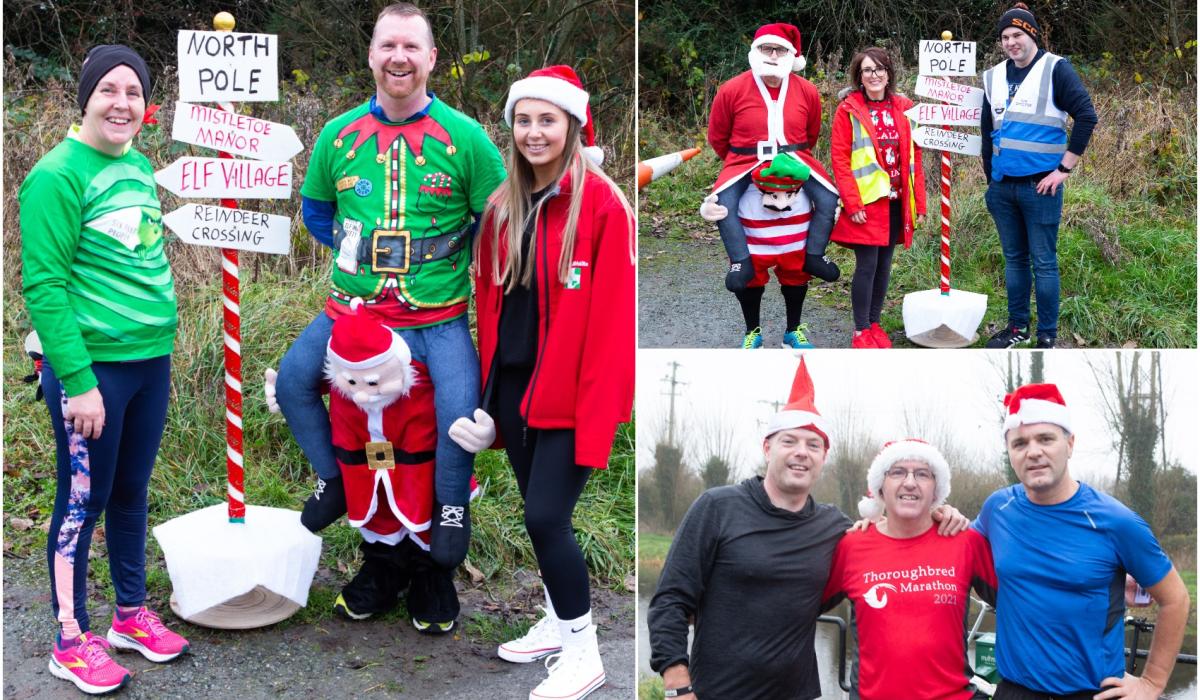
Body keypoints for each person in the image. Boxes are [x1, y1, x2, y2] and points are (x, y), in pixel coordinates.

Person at [276, 2, 506, 594]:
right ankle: (333, 480)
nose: (398, 58)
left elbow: (497, 219)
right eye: (388, 46)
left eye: (411, 47)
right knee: (293, 382)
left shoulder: (466, 138)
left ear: (431, 57)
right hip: (353, 312)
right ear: (371, 55)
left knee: (457, 413)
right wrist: (358, 256)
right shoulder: (338, 134)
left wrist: (444, 262)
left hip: (437, 317)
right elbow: (317, 211)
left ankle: (449, 511)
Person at [447, 65, 634, 700]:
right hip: (517, 393)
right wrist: (489, 399)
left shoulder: (603, 204)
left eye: (547, 120)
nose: (534, 132)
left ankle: (585, 653)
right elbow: (496, 311)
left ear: (572, 124)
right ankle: (557, 622)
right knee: (541, 517)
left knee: (546, 517)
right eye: (523, 120)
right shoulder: (504, 206)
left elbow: (613, 323)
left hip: (573, 395)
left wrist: (600, 407)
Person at [19, 44, 189, 695]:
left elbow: (136, 255)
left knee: (130, 491)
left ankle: (129, 616)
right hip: (95, 374)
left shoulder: (138, 165)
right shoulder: (57, 175)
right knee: (80, 503)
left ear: (147, 106)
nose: (122, 103)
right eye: (108, 90)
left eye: (133, 92)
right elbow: (45, 287)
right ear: (85, 98)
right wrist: (80, 382)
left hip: (150, 362)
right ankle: (70, 638)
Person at [647, 358, 968, 700]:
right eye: (789, 441)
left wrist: (936, 512)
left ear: (823, 457)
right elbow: (670, 600)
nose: (802, 453)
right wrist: (678, 686)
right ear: (767, 448)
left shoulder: (836, 528)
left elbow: (886, 543)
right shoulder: (717, 507)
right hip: (717, 692)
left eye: (813, 445)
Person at [974, 383, 1189, 699]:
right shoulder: (997, 509)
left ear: (1070, 444)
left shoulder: (1116, 521)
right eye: (1020, 443)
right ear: (1009, 452)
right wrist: (927, 514)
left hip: (1090, 692)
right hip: (1015, 691)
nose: (1033, 452)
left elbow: (1176, 599)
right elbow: (956, 545)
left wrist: (1152, 683)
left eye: (1045, 439)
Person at [822, 439, 998, 700]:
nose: (910, 482)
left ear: (936, 488)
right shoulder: (851, 546)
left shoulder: (965, 541)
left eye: (923, 474)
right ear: (880, 487)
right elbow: (800, 608)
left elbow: (1020, 605)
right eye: (898, 472)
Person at [704, 22, 842, 348]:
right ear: (756, 51)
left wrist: (790, 162)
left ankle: (813, 261)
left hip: (796, 163)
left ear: (791, 56)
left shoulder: (807, 91)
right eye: (767, 48)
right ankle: (742, 275)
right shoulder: (731, 89)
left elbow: (811, 133)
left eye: (780, 50)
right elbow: (718, 137)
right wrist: (743, 161)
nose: (773, 55)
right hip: (744, 165)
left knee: (827, 200)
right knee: (722, 204)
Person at [981, 3, 1098, 349]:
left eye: (1017, 34)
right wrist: (991, 182)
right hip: (1003, 188)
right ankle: (1018, 327)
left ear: (1031, 34)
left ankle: (1047, 334)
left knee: (1044, 263)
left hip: (1041, 187)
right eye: (1005, 37)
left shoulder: (1055, 68)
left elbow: (1086, 116)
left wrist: (1063, 170)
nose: (1011, 42)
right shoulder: (993, 77)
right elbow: (987, 131)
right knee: (1014, 261)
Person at [830, 47, 926, 349]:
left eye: (880, 69)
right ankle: (861, 330)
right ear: (859, 76)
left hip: (897, 201)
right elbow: (840, 159)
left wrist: (919, 203)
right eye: (868, 70)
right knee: (867, 266)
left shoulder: (905, 107)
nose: (874, 75)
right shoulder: (848, 109)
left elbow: (915, 157)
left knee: (884, 265)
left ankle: (874, 324)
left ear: (889, 73)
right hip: (867, 202)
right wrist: (852, 202)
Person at [700, 156, 817, 348]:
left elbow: (807, 141)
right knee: (749, 274)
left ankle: (793, 330)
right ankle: (752, 332)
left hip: (795, 210)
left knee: (796, 271)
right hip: (750, 208)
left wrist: (828, 203)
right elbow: (722, 143)